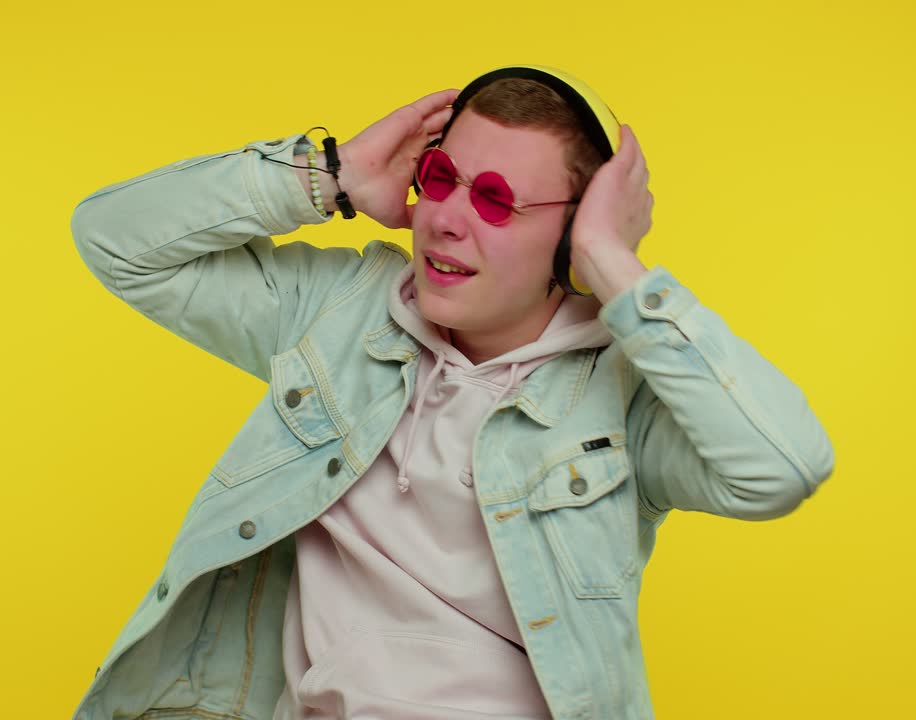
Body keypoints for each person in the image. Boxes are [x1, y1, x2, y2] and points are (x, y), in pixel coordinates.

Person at [68, 65, 835, 720]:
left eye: (498, 201)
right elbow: (115, 240)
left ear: (568, 240)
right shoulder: (336, 314)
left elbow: (783, 467)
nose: (447, 221)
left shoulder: (619, 394)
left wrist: (612, 261)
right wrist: (329, 176)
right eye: (441, 179)